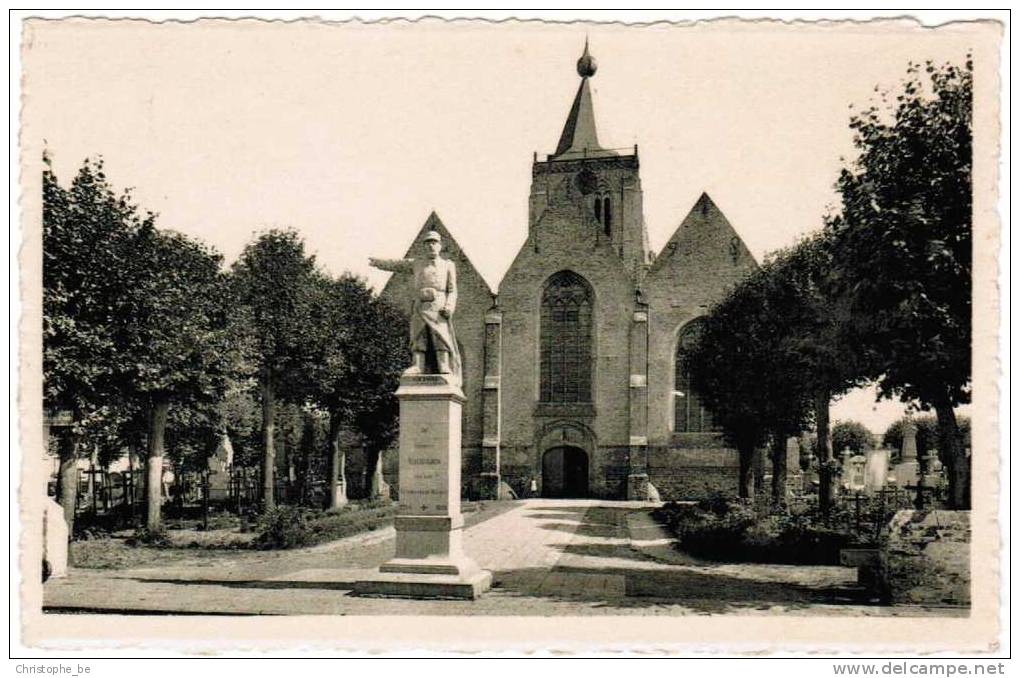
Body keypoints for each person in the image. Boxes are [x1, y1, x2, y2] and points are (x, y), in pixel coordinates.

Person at [370, 230, 462, 385]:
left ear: (440, 246)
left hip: (438, 305)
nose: (431, 246)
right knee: (419, 335)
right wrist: (379, 263)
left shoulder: (448, 265)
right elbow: (396, 264)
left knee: (440, 336)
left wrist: (449, 306)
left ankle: (444, 364)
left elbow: (452, 290)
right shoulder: (416, 263)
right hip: (420, 305)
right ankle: (417, 365)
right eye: (428, 243)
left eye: (434, 243)